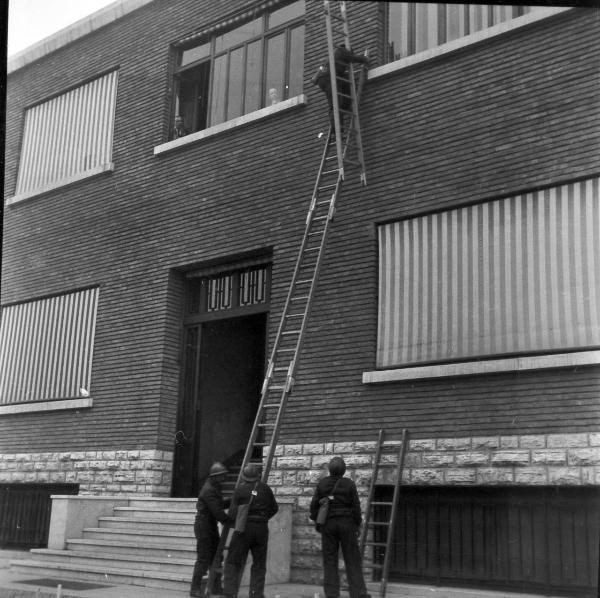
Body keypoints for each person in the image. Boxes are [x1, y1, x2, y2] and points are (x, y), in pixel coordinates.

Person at [310, 456, 371, 598]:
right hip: (347, 523)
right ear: (344, 470)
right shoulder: (349, 484)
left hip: (328, 524)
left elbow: (314, 506)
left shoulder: (322, 484)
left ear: (329, 470)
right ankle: (359, 593)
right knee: (352, 559)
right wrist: (357, 524)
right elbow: (356, 507)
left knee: (329, 560)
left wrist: (317, 522)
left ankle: (332, 593)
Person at [222, 464, 279, 598]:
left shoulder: (239, 490)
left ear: (244, 476)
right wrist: (263, 518)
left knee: (232, 562)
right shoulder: (266, 489)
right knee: (259, 564)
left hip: (243, 529)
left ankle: (230, 594)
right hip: (261, 529)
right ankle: (256, 594)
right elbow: (274, 508)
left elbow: (232, 513)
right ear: (258, 476)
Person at [190, 461, 234, 598]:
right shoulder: (209, 489)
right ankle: (195, 589)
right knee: (203, 558)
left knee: (217, 556)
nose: (224, 478)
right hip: (204, 527)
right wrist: (232, 522)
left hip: (210, 526)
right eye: (221, 476)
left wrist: (233, 500)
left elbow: (219, 504)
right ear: (215, 476)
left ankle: (216, 587)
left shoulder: (214, 487)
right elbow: (218, 512)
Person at [310, 43, 369, 133]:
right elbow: (354, 58)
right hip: (328, 79)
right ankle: (337, 129)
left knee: (344, 84)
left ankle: (345, 106)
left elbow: (320, 73)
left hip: (325, 79)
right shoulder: (342, 51)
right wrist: (365, 59)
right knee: (335, 104)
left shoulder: (333, 55)